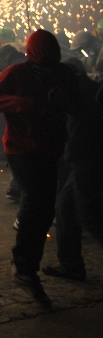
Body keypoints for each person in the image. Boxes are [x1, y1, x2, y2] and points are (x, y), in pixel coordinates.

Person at [0, 29, 80, 308]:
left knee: (44, 206)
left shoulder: (62, 74)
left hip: (50, 148)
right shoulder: (17, 73)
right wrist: (18, 103)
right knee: (37, 200)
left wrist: (62, 100)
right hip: (20, 148)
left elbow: (78, 107)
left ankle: (27, 264)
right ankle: (23, 264)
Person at [43, 59, 103, 281]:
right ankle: (70, 264)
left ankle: (71, 264)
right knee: (67, 209)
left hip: (87, 156)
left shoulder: (77, 92)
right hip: (82, 156)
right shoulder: (90, 89)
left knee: (90, 215)